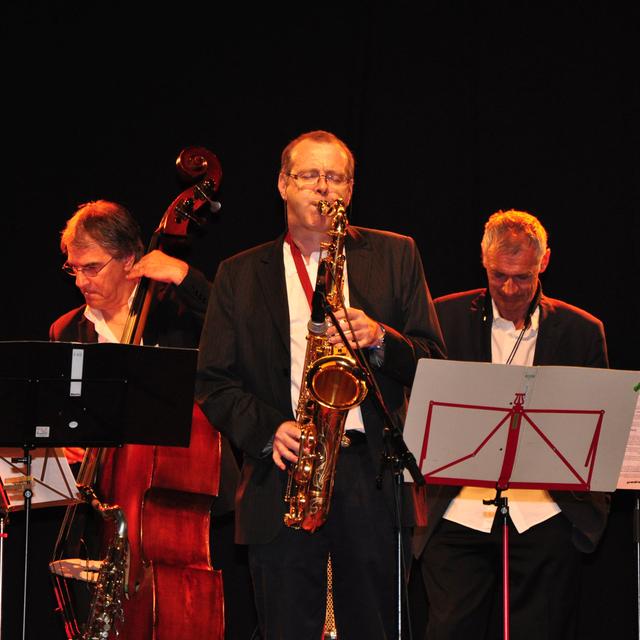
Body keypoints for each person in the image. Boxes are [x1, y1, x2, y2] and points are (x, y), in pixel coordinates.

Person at [195, 129, 445, 640]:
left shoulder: (396, 255)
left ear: (351, 191)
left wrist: (381, 338)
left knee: (376, 627)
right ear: (283, 184)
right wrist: (270, 431)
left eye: (335, 178)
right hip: (285, 468)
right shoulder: (239, 274)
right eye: (309, 176)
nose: (323, 189)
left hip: (372, 475)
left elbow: (434, 361)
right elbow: (213, 381)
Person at [46, 199, 253, 638]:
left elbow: (245, 331)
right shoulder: (67, 331)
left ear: (129, 261)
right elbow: (69, 411)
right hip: (108, 513)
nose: (81, 280)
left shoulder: (177, 309)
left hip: (191, 502)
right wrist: (69, 439)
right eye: (74, 270)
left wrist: (184, 276)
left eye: (92, 268)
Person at [415, 209, 610, 640]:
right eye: (498, 275)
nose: (508, 288)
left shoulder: (582, 332)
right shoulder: (440, 319)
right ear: (483, 262)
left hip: (546, 513)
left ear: (544, 262)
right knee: (449, 629)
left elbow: (597, 437)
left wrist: (584, 517)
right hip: (457, 511)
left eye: (521, 277)